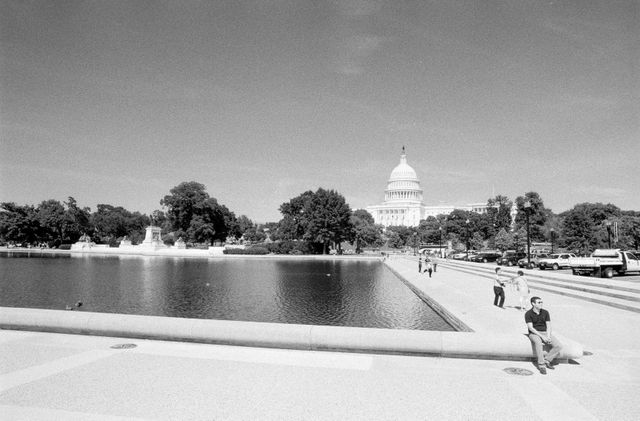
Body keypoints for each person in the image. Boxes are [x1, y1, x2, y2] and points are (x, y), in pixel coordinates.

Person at [525, 296, 563, 375]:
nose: (541, 304)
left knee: (559, 346)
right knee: (539, 344)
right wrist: (542, 337)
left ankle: (547, 360)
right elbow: (531, 328)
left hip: (545, 332)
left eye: (541, 302)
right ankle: (541, 365)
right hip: (534, 333)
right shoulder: (528, 314)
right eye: (539, 302)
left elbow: (548, 325)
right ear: (533, 304)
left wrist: (548, 336)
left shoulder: (545, 312)